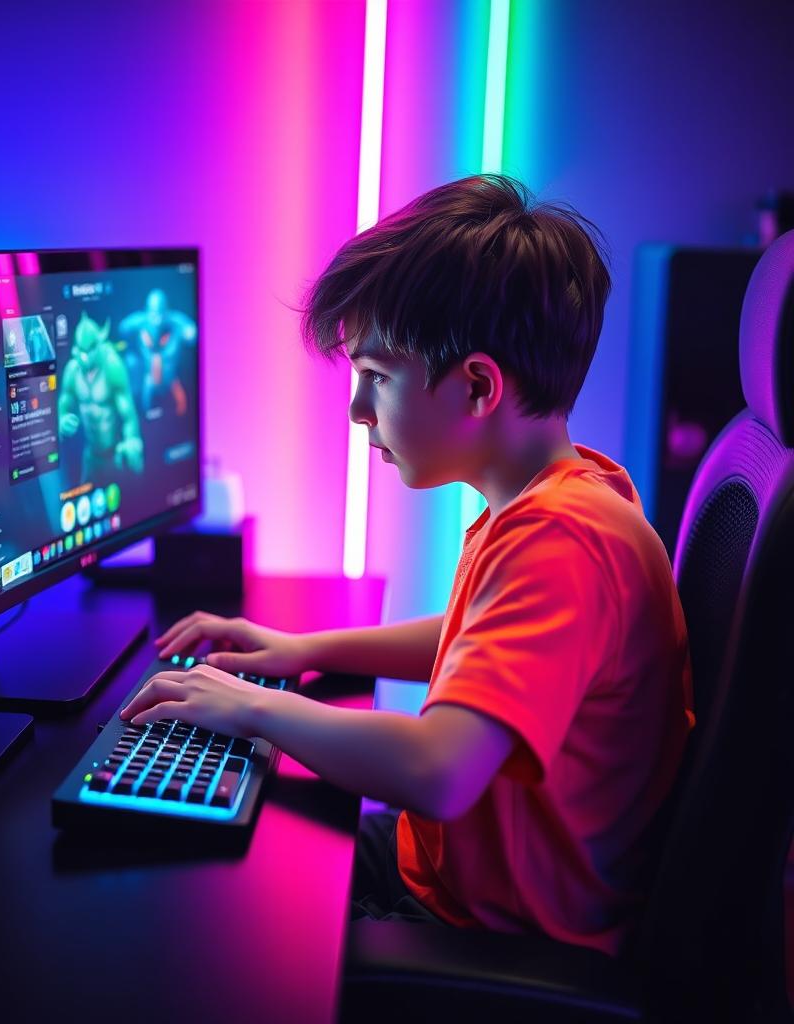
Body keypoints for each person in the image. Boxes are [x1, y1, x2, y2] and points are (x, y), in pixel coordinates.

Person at [119, 174, 693, 956]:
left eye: (378, 378)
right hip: (459, 878)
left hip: (497, 933)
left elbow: (439, 771)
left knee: (213, 929)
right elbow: (476, 642)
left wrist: (252, 708)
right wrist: (305, 651)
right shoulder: (566, 494)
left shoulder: (562, 538)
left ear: (479, 385)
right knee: (237, 847)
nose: (358, 409)